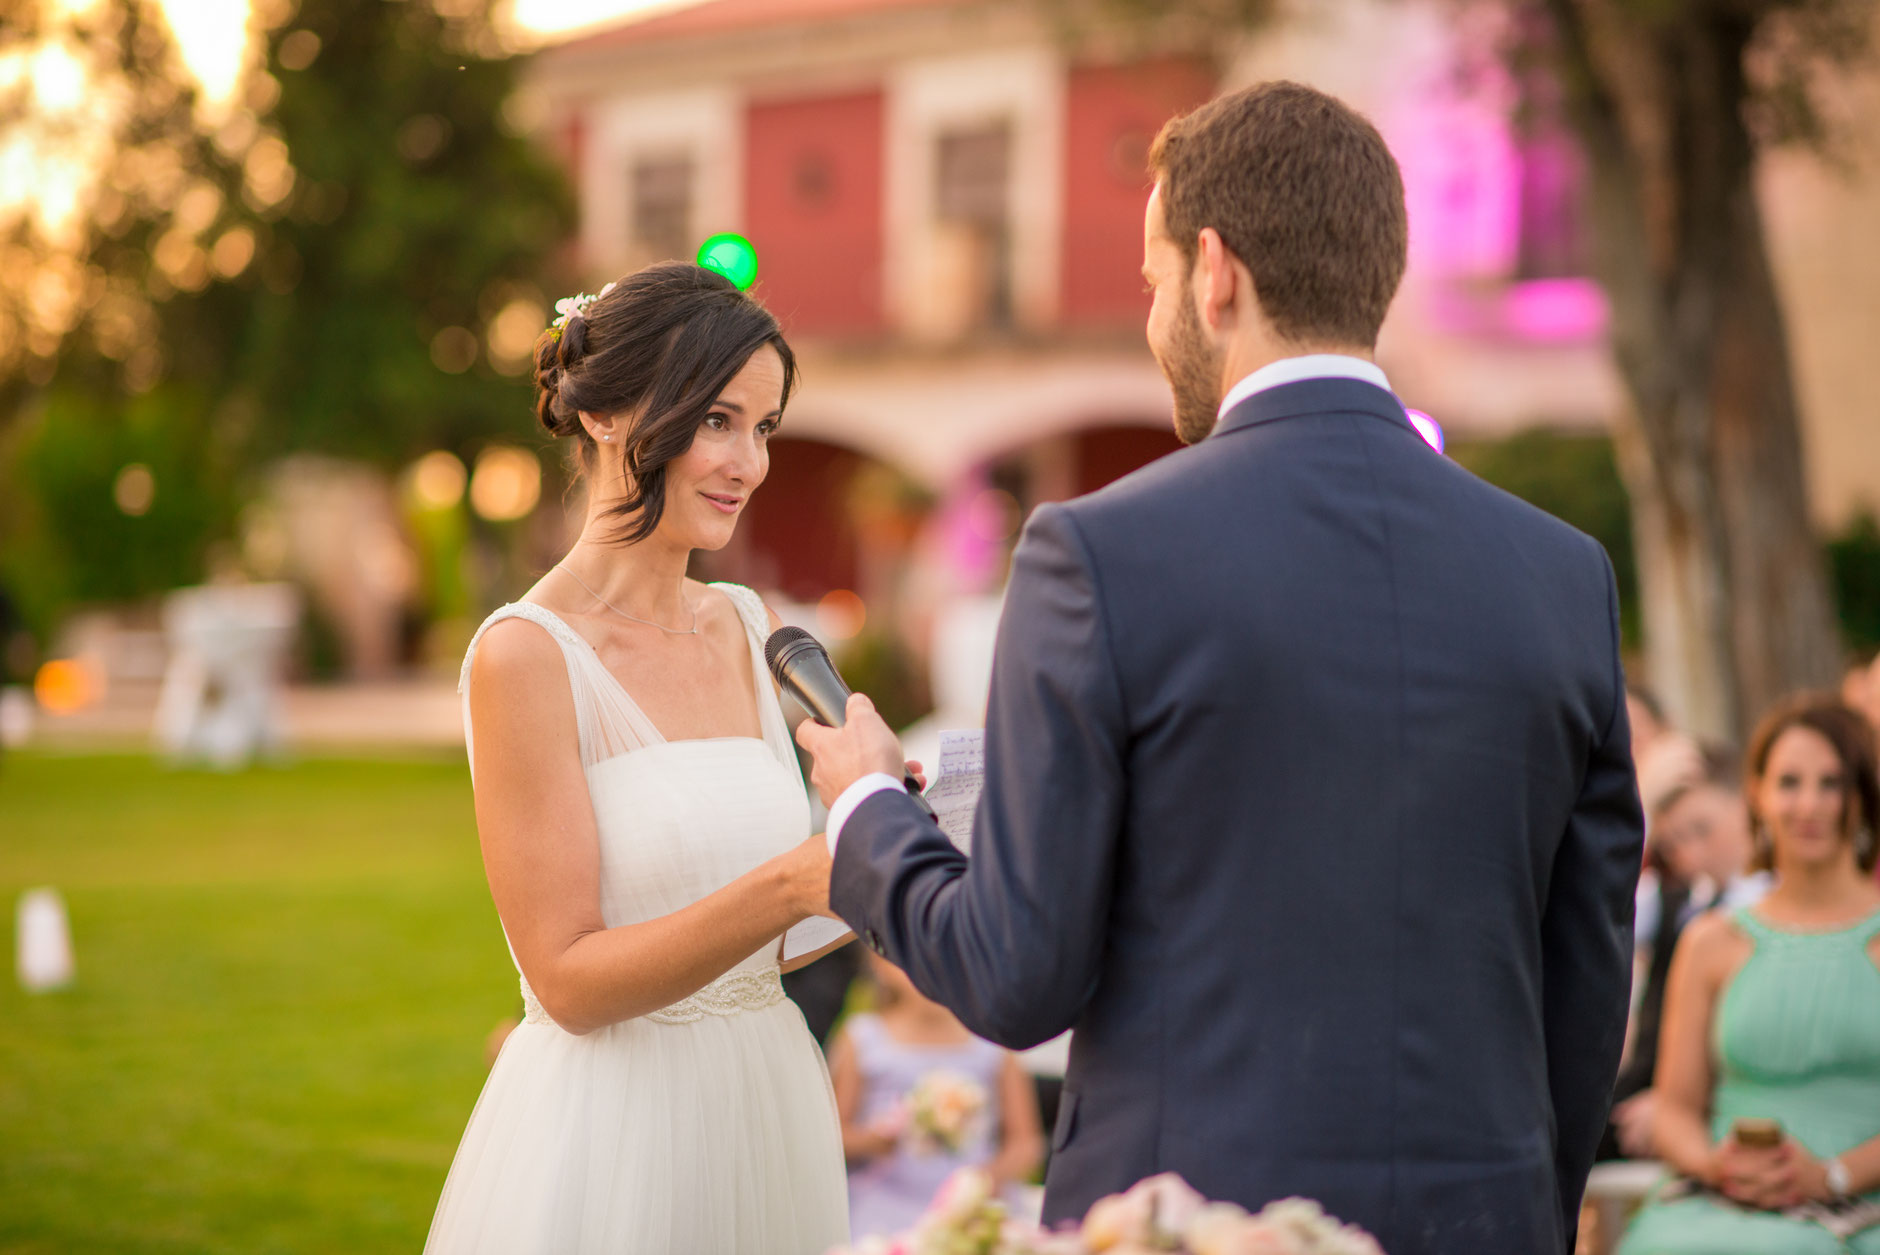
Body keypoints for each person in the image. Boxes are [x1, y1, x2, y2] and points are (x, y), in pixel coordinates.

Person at [795, 81, 1643, 1255]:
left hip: (1186, 1216)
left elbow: (1014, 972)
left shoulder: (1095, 555)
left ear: (1213, 272)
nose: (1152, 325)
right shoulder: (1561, 572)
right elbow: (1584, 976)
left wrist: (863, 809)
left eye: (1149, 286)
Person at [426, 263, 856, 1254]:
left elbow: (771, 933)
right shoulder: (526, 654)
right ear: (609, 414)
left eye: (763, 428)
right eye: (715, 420)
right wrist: (794, 881)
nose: (746, 462)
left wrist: (878, 859)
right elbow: (567, 979)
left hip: (769, 1096)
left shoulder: (749, 625)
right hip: (619, 1127)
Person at [1618, 696, 1880, 1254]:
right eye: (1789, 782)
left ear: (1861, 796)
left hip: (1860, 1205)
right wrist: (1719, 1167)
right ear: (1756, 796)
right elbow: (1674, 1111)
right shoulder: (1712, 942)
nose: (1808, 804)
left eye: (1831, 783)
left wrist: (1832, 1176)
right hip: (1721, 1202)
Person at [831, 952, 1044, 1239]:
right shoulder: (862, 1039)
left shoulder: (991, 1042)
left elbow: (1026, 1143)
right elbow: (834, 1135)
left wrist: (985, 1179)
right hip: (887, 1199)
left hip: (972, 1204)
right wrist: (874, 1140)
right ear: (880, 964)